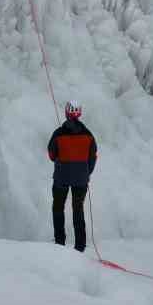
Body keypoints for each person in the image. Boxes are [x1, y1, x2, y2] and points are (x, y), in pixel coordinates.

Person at [47, 101, 97, 252]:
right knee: (78, 209)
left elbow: (51, 154)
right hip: (81, 179)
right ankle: (80, 245)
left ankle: (60, 242)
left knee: (58, 208)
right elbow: (93, 157)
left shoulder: (58, 133)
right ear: (79, 113)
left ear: (67, 113)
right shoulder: (88, 135)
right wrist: (86, 173)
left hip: (61, 177)